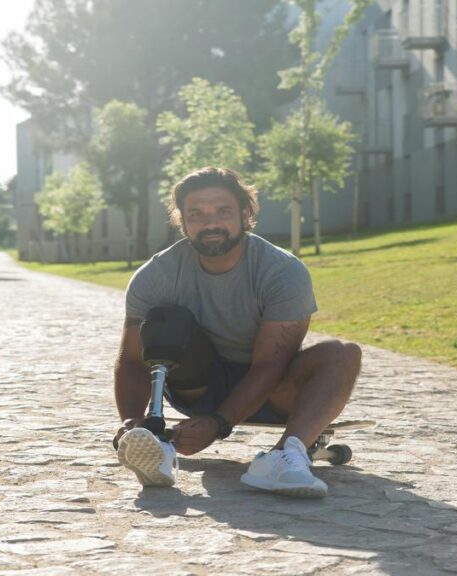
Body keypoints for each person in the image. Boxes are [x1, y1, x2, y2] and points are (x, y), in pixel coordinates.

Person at [113, 166, 362, 498]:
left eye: (223, 211)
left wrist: (219, 424)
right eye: (196, 214)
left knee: (342, 353)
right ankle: (156, 441)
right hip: (196, 387)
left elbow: (270, 364)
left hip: (272, 388)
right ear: (182, 221)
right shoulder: (157, 274)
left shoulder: (282, 272)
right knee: (166, 318)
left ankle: (285, 456)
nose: (210, 223)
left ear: (246, 214)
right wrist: (131, 421)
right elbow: (132, 360)